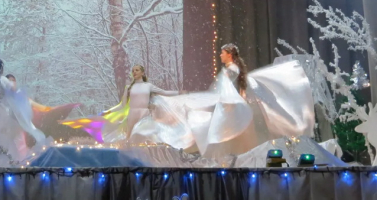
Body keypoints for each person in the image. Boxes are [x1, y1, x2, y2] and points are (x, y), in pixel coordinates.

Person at [175, 44, 315, 158]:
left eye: (223, 53)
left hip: (231, 112)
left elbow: (225, 91)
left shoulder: (232, 70)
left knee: (229, 143)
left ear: (229, 55)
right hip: (231, 111)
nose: (220, 55)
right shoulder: (233, 69)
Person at [63, 65, 192, 148]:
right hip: (132, 114)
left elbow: (164, 92)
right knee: (130, 138)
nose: (134, 72)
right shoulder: (129, 87)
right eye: (133, 70)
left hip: (145, 114)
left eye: (137, 70)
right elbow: (122, 105)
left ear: (142, 72)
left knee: (146, 136)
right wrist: (109, 111)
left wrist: (179, 92)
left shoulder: (148, 86)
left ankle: (151, 159)